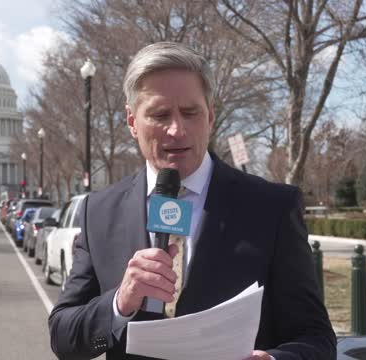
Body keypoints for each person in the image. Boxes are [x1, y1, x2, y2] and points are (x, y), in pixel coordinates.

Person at [48, 42, 336, 360]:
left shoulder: (272, 208)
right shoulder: (98, 213)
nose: (177, 129)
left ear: (210, 116)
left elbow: (316, 338)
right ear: (132, 122)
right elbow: (64, 340)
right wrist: (120, 304)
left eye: (190, 113)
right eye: (160, 115)